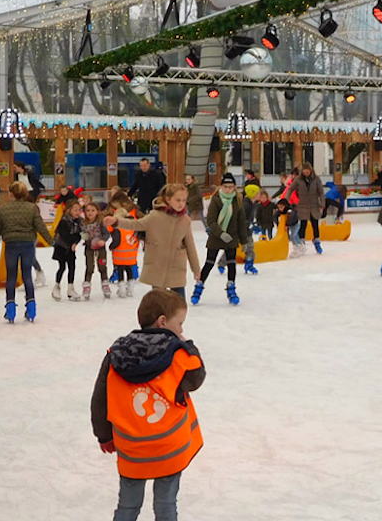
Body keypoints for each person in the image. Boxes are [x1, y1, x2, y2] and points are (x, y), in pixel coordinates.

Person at [91, 289, 205, 521]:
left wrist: (104, 435)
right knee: (165, 506)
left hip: (133, 448)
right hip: (168, 448)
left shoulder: (115, 355)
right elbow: (196, 378)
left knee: (128, 506)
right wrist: (189, 346)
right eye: (180, 323)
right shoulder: (178, 355)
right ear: (163, 321)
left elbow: (100, 399)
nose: (181, 330)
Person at [108, 183, 201, 301]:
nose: (181, 203)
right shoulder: (155, 216)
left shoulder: (185, 221)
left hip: (176, 266)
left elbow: (190, 245)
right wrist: (116, 221)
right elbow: (136, 224)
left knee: (179, 304)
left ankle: (177, 319)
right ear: (168, 199)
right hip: (157, 265)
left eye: (184, 200)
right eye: (178, 200)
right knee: (159, 303)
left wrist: (196, 269)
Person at [0, 181, 53, 323]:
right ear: (25, 194)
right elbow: (40, 226)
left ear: (10, 194)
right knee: (27, 277)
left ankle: (10, 309)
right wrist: (50, 241)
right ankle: (31, 308)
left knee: (11, 277)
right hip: (28, 244)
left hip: (11, 245)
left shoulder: (3, 209)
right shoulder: (32, 208)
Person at [195, 174, 248, 304]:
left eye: (230, 187)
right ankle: (199, 287)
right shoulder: (216, 199)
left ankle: (231, 288)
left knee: (231, 263)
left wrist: (244, 240)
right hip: (216, 236)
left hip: (232, 237)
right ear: (221, 187)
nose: (228, 190)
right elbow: (211, 221)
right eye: (225, 187)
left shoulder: (238, 201)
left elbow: (241, 222)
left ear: (235, 187)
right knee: (209, 262)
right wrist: (220, 233)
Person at [289, 163, 327, 255]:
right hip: (302, 206)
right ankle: (301, 243)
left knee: (315, 225)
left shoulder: (316, 179)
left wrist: (322, 203)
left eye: (308, 172)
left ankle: (317, 242)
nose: (306, 173)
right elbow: (290, 189)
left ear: (311, 171)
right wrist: (286, 199)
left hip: (314, 205)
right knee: (303, 225)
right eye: (305, 172)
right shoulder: (298, 179)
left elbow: (321, 192)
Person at [51, 199, 85, 302]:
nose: (78, 212)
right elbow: (65, 235)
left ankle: (71, 288)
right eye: (75, 210)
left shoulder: (79, 221)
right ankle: (56, 286)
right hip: (61, 247)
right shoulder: (64, 221)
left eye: (79, 210)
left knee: (72, 267)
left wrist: (75, 242)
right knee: (62, 267)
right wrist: (74, 241)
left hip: (71, 248)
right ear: (69, 210)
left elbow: (79, 235)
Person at [80, 201, 111, 300]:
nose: (90, 213)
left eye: (93, 210)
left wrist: (103, 240)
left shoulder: (100, 222)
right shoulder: (83, 223)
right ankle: (86, 286)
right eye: (88, 210)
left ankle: (105, 284)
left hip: (100, 248)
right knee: (89, 267)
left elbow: (107, 234)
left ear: (97, 212)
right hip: (89, 248)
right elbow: (81, 233)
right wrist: (83, 237)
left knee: (102, 266)